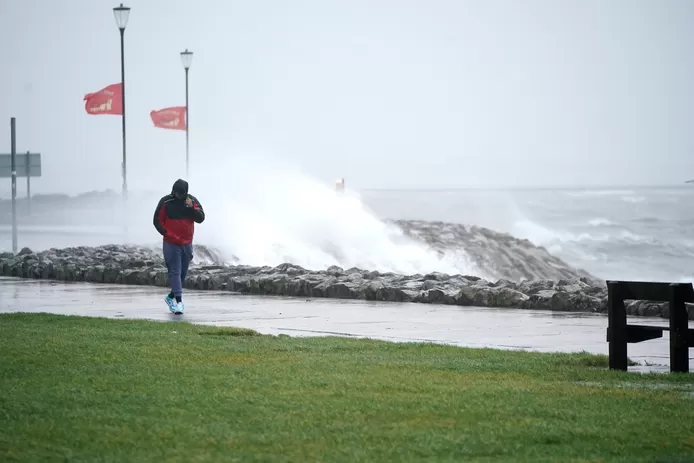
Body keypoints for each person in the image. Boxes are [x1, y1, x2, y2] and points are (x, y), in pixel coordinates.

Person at [153, 179, 205, 314]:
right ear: (173, 190)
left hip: (187, 243)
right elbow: (157, 220)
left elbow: (201, 218)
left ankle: (170, 297)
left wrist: (192, 206)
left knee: (182, 274)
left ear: (185, 193)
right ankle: (179, 302)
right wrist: (166, 233)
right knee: (175, 271)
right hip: (171, 243)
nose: (178, 195)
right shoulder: (166, 202)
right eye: (176, 192)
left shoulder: (192, 201)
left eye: (181, 193)